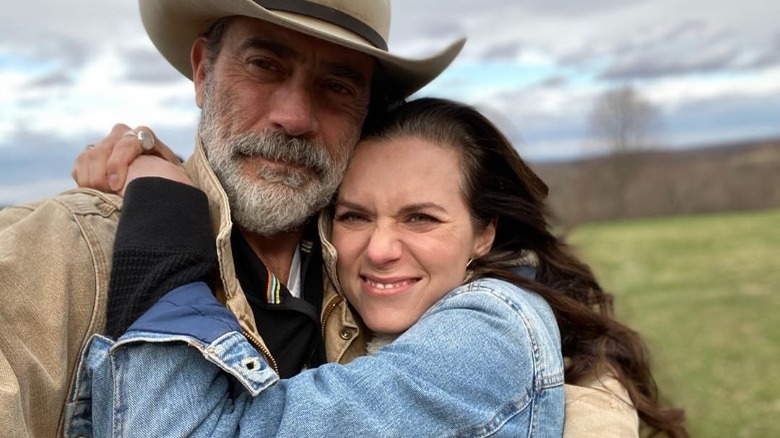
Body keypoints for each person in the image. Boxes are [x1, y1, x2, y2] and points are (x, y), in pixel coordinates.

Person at [68, 98, 687, 436]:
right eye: (355, 216)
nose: (381, 249)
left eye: (421, 218)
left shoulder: (490, 333)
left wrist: (163, 206)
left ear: (484, 232)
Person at [0, 0, 465, 435]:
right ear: (203, 72)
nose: (295, 116)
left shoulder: (397, 271)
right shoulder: (67, 251)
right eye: (264, 65)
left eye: (337, 86)